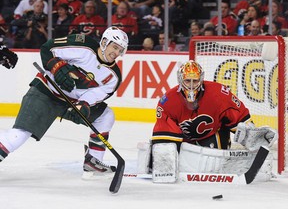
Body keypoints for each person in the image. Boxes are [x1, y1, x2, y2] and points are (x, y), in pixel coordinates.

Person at [0, 26, 129, 179]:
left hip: (70, 103)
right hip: (46, 92)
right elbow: (48, 48)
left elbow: (94, 95)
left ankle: (93, 162)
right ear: (105, 41)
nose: (116, 53)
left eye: (120, 50)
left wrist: (83, 105)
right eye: (114, 47)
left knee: (106, 116)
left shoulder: (114, 77)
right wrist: (56, 67)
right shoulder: (83, 46)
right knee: (19, 135)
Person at [146, 60, 277, 183]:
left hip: (213, 134)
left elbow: (238, 117)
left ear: (201, 79)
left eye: (195, 80)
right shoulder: (168, 100)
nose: (191, 85)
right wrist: (162, 160)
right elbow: (165, 135)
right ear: (180, 79)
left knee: (215, 165)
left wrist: (250, 134)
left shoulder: (218, 94)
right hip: (185, 140)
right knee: (175, 155)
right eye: (188, 80)